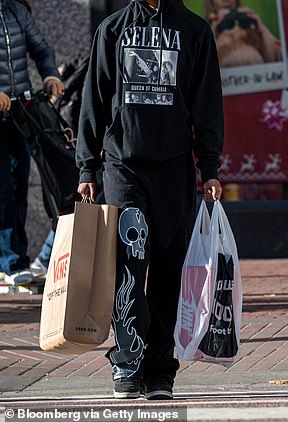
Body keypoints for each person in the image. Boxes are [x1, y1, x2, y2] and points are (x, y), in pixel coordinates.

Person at [76, 0, 224, 400]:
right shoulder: (112, 28)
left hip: (174, 169)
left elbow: (207, 104)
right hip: (124, 165)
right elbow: (95, 96)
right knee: (129, 259)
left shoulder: (194, 31)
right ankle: (128, 359)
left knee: (166, 267)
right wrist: (87, 167)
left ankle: (161, 369)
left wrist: (208, 167)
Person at [0, 0, 64, 285]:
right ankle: (11, 262)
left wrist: (50, 74)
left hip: (19, 111)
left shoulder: (16, 11)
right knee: (2, 188)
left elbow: (40, 48)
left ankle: (15, 259)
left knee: (19, 183)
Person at [207, 0, 282, 66]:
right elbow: (203, 63)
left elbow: (276, 57)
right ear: (211, 2)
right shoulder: (205, 27)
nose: (226, 0)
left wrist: (260, 25)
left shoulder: (248, 20)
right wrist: (213, 29)